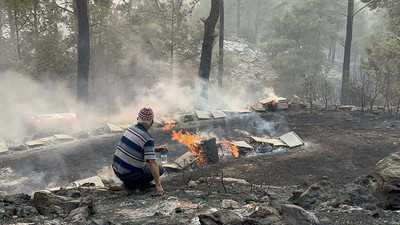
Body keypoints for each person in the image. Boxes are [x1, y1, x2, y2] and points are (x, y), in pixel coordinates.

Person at [112, 107, 167, 196]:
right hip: (128, 176)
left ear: (137, 119)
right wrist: (158, 185)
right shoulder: (147, 138)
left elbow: (138, 148)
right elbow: (152, 163)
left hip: (117, 170)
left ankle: (132, 181)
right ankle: (136, 185)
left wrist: (156, 149)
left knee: (147, 164)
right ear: (152, 122)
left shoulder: (130, 129)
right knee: (160, 169)